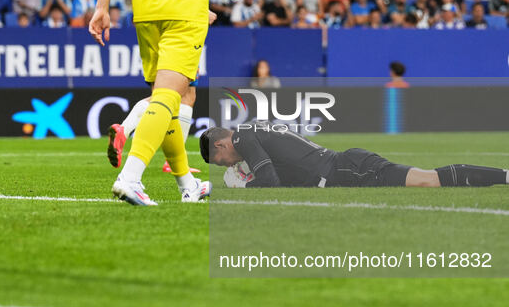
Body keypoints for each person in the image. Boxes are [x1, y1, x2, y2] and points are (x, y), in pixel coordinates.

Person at [88, 0, 240, 205]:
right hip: (184, 7)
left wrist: (101, 7)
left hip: (147, 10)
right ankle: (129, 177)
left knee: (164, 99)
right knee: (169, 96)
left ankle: (188, 185)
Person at [199, 122, 509, 189]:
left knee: (430, 180)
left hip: (349, 170)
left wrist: (242, 186)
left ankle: (505, 177)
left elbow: (269, 180)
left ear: (222, 146)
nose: (228, 164)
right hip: (345, 166)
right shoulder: (253, 130)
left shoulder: (241, 135)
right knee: (429, 181)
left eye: (221, 161)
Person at [106, 11, 218, 174]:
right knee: (178, 95)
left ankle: (125, 130)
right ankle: (126, 131)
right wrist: (200, 11)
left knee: (173, 94)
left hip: (152, 24)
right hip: (179, 30)